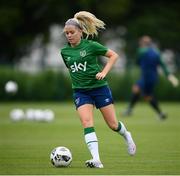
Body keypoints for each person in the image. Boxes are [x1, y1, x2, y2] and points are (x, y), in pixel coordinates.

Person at [60, 11, 136, 168]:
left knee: (113, 125)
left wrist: (103, 72)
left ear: (80, 32)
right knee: (87, 122)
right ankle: (96, 159)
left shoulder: (91, 46)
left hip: (99, 88)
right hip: (80, 92)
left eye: (72, 32)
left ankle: (127, 135)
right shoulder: (64, 52)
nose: (69, 35)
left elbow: (114, 55)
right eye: (66, 33)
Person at [123, 35, 179, 119]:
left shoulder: (141, 51)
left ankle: (161, 114)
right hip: (153, 77)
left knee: (147, 95)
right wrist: (169, 76)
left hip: (146, 77)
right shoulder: (156, 52)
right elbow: (163, 65)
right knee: (137, 89)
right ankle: (129, 110)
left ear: (142, 43)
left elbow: (137, 62)